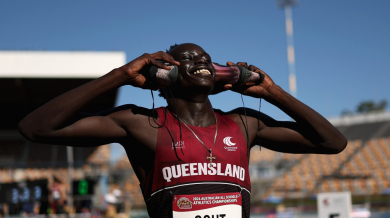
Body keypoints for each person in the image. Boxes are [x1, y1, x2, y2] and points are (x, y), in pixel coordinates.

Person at [18, 43, 347, 218]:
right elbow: (35, 127)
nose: (202, 60)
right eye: (188, 58)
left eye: (206, 58)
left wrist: (272, 92)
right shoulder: (140, 123)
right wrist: (120, 75)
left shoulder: (244, 123)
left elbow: (333, 142)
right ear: (165, 76)